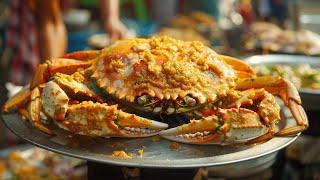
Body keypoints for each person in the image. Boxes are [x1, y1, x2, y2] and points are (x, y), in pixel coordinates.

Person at [6, 0, 127, 85]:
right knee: (35, 82)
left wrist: (111, 18)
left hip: (52, 17)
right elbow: (51, 23)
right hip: (33, 18)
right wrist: (52, 76)